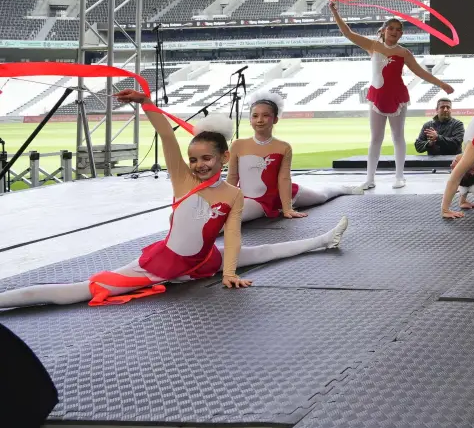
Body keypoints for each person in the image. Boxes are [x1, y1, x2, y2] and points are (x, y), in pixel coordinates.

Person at [0, 91, 349, 310]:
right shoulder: (183, 180)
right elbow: (166, 135)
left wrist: (229, 272)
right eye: (193, 159)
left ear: (225, 159)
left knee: (260, 253)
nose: (199, 165)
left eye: (206, 159)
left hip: (202, 261)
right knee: (84, 289)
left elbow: (232, 236)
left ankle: (321, 240)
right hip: (164, 264)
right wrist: (145, 104)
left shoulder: (233, 194)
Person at [331, 5, 454, 191]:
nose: (395, 32)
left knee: (398, 137)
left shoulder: (404, 53)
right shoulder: (372, 46)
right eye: (391, 28)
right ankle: (370, 178)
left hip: (397, 97)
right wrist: (335, 12)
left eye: (399, 30)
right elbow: (347, 33)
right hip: (376, 97)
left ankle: (399, 176)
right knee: (375, 138)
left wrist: (441, 84)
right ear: (383, 30)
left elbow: (420, 72)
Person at [228, 91, 352, 221]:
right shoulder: (238, 145)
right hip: (252, 198)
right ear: (250, 120)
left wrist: (287, 208)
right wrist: (226, 202)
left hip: (284, 194)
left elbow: (284, 179)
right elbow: (232, 177)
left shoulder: (283, 147)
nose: (259, 120)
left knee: (321, 197)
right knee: (232, 217)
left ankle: (342, 189)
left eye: (265, 115)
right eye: (255, 116)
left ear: (275, 119)